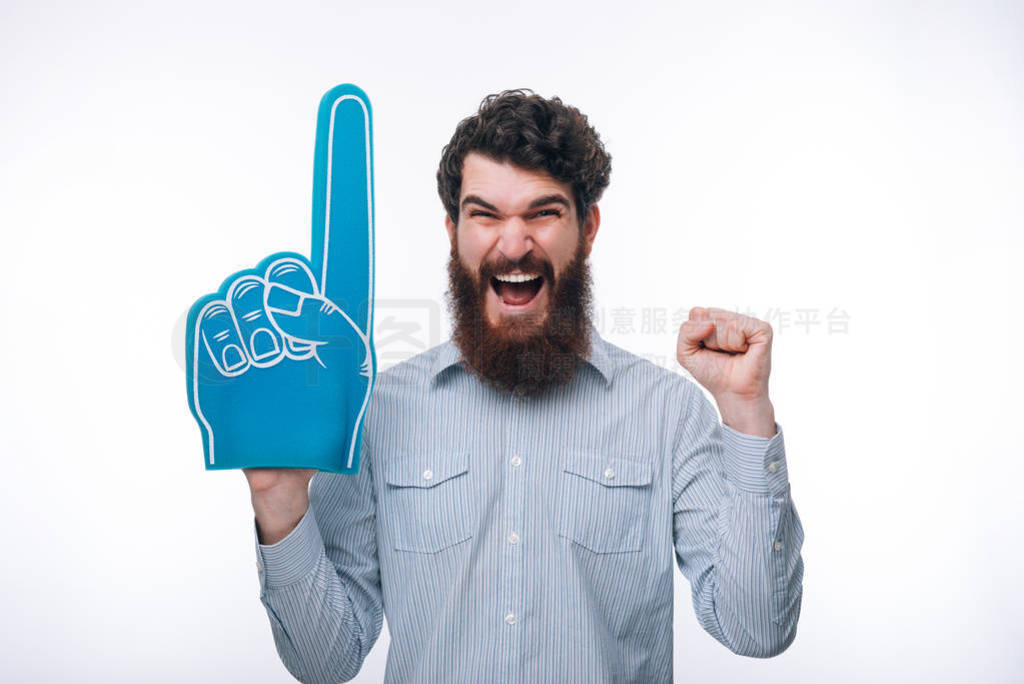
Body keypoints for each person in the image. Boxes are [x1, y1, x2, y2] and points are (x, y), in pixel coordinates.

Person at [244, 90, 804, 683]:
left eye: (543, 212)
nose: (513, 245)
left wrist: (745, 413)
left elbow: (757, 629)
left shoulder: (667, 413)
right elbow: (323, 661)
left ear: (587, 227)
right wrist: (278, 499)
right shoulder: (376, 413)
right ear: (453, 230)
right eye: (484, 214)